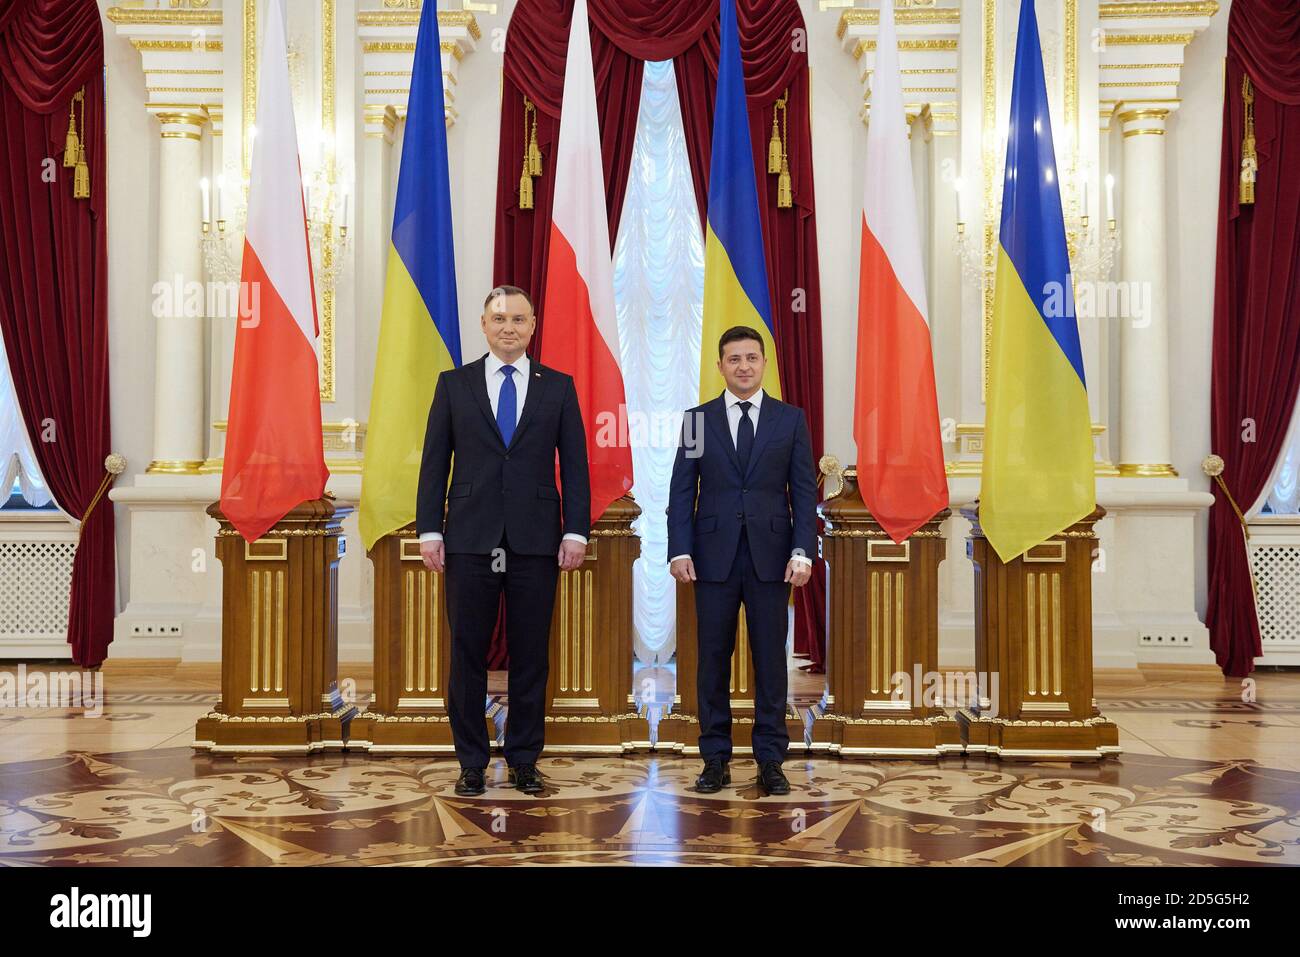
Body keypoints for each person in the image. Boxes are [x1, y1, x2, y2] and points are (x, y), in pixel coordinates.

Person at [417, 286, 590, 796]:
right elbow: (434, 464)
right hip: (469, 538)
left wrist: (575, 529)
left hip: (536, 541)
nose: (509, 327)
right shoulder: (454, 384)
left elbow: (576, 468)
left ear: (533, 326)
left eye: (519, 319)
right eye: (499, 319)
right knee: (466, 653)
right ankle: (471, 761)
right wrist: (431, 528)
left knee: (531, 655)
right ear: (484, 325)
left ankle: (523, 759)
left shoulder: (557, 387)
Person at [667, 326, 817, 796]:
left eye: (752, 357)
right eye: (734, 359)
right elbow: (681, 489)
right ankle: (714, 759)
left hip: (774, 559)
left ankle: (771, 760)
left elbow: (804, 492)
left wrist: (802, 550)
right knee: (712, 659)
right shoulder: (696, 421)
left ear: (764, 363)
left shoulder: (790, 420)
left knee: (771, 661)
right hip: (711, 558)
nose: (744, 366)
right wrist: (679, 548)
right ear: (720, 366)